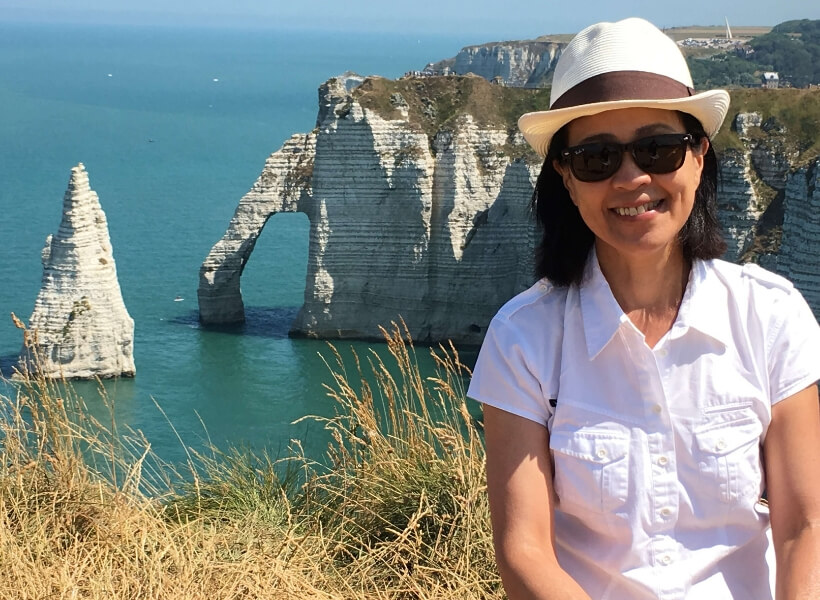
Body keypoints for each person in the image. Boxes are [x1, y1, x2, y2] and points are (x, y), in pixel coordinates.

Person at [467, 17, 820, 600]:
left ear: (699, 156)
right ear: (566, 178)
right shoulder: (522, 338)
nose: (633, 178)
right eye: (597, 159)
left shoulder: (770, 316)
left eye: (659, 149)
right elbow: (523, 551)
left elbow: (806, 525)